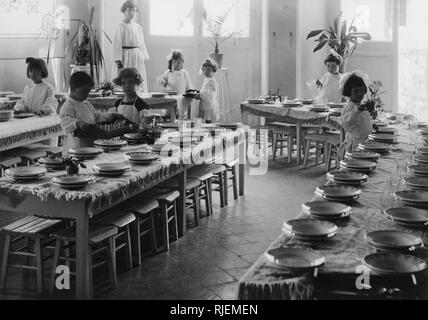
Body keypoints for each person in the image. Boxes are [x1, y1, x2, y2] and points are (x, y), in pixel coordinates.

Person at [60, 72, 133, 154]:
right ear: (73, 89)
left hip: (90, 144)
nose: (86, 95)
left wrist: (110, 116)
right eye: (84, 91)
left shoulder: (86, 104)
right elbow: (65, 122)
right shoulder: (68, 106)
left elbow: (97, 116)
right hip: (75, 148)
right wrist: (77, 123)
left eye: (88, 92)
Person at [112, 0, 150, 93]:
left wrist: (143, 57)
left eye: (134, 10)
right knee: (125, 79)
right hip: (125, 56)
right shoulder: (120, 26)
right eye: (129, 10)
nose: (132, 13)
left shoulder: (138, 27)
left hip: (136, 57)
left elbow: (141, 43)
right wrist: (118, 61)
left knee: (137, 80)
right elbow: (117, 44)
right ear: (124, 11)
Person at [340, 71, 374, 152]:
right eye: (355, 91)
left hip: (364, 141)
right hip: (355, 143)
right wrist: (358, 110)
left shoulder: (361, 105)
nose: (359, 94)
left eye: (362, 91)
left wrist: (371, 126)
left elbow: (364, 121)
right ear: (349, 92)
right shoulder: (349, 107)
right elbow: (347, 124)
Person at [161, 49, 193, 119]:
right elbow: (162, 79)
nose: (176, 64)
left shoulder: (184, 73)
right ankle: (169, 118)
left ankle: (179, 117)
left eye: (178, 62)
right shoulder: (168, 72)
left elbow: (189, 84)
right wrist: (164, 82)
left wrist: (190, 93)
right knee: (169, 110)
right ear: (171, 63)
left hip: (181, 95)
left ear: (182, 62)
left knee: (180, 108)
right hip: (170, 95)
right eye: (174, 62)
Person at [195, 58, 219, 123]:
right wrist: (199, 93)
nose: (206, 72)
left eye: (209, 70)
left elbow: (209, 94)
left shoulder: (212, 82)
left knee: (208, 121)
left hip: (209, 106)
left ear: (213, 70)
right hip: (205, 105)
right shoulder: (207, 79)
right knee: (203, 121)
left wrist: (200, 95)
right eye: (204, 70)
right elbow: (205, 91)